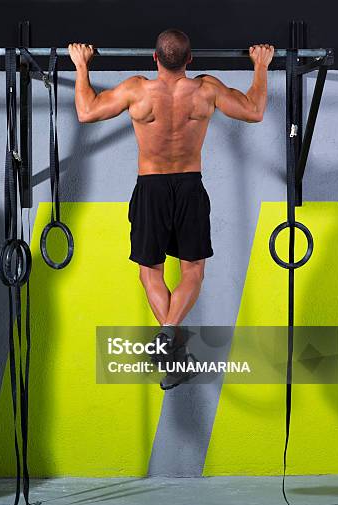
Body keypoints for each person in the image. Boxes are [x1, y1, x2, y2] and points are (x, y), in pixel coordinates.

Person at [69, 30, 274, 389]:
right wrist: (260, 66)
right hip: (190, 186)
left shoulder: (137, 90)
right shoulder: (206, 90)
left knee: (150, 273)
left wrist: (81, 66)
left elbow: (86, 112)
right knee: (192, 272)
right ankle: (168, 341)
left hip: (151, 187)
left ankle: (168, 344)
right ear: (190, 60)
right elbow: (254, 111)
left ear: (154, 58)